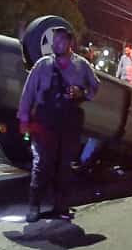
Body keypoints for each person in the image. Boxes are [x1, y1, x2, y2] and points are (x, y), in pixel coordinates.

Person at [18, 28, 100, 222]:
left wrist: (82, 93)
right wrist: (23, 118)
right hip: (45, 119)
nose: (55, 44)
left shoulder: (81, 65)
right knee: (42, 164)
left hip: (69, 120)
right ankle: (34, 205)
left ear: (70, 42)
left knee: (64, 166)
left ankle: (61, 205)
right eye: (54, 41)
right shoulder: (42, 65)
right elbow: (28, 92)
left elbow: (95, 86)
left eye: (60, 40)